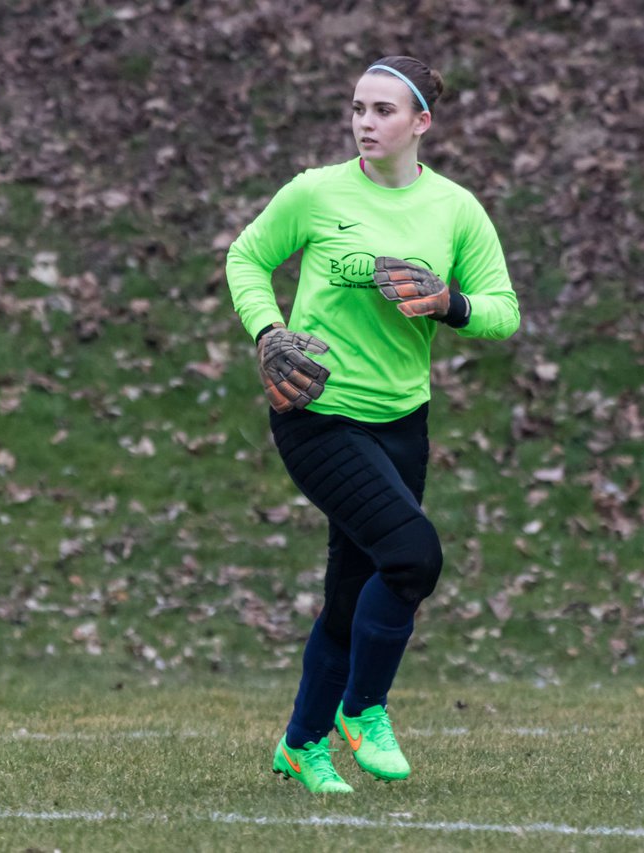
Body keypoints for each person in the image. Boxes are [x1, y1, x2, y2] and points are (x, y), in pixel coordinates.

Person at [225, 55, 520, 794]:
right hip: (317, 413)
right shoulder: (316, 193)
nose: (365, 122)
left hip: (401, 422)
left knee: (354, 592)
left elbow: (503, 310)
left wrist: (448, 303)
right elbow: (247, 257)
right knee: (414, 556)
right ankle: (363, 708)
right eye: (358, 107)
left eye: (384, 110)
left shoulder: (455, 209)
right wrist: (268, 332)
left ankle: (301, 745)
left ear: (422, 121)